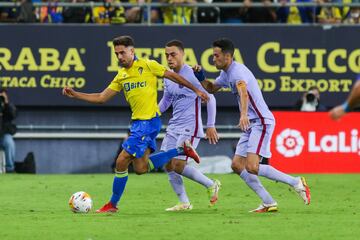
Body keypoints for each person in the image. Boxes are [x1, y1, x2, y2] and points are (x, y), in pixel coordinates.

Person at [62, 35, 209, 213]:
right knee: (140, 168)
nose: (119, 57)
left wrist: (196, 90)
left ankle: (112, 204)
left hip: (148, 123)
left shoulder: (148, 65)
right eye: (116, 53)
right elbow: (102, 97)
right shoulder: (121, 76)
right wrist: (76, 94)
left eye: (122, 52)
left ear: (132, 51)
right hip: (138, 124)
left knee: (121, 161)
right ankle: (181, 150)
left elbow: (174, 77)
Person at [193, 38, 311, 212]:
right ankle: (268, 201)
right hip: (251, 123)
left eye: (216, 55)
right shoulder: (227, 73)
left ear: (227, 56)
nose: (213, 59)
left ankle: (296, 182)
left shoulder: (237, 72)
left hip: (261, 121)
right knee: (237, 165)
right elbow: (211, 88)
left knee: (252, 167)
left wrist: (242, 115)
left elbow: (243, 92)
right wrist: (200, 76)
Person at [160, 40, 221, 211]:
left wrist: (211, 124)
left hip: (190, 126)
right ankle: (184, 202)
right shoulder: (168, 76)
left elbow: (211, 97)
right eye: (166, 55)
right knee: (167, 163)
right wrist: (152, 113)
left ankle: (211, 184)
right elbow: (166, 101)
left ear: (182, 54)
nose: (169, 58)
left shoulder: (193, 74)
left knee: (178, 165)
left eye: (173, 54)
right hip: (173, 126)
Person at [0, 88, 17, 173]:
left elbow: (13, 115)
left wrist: (6, 103)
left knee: (9, 142)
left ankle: (10, 169)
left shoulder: (7, 106)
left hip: (3, 135)